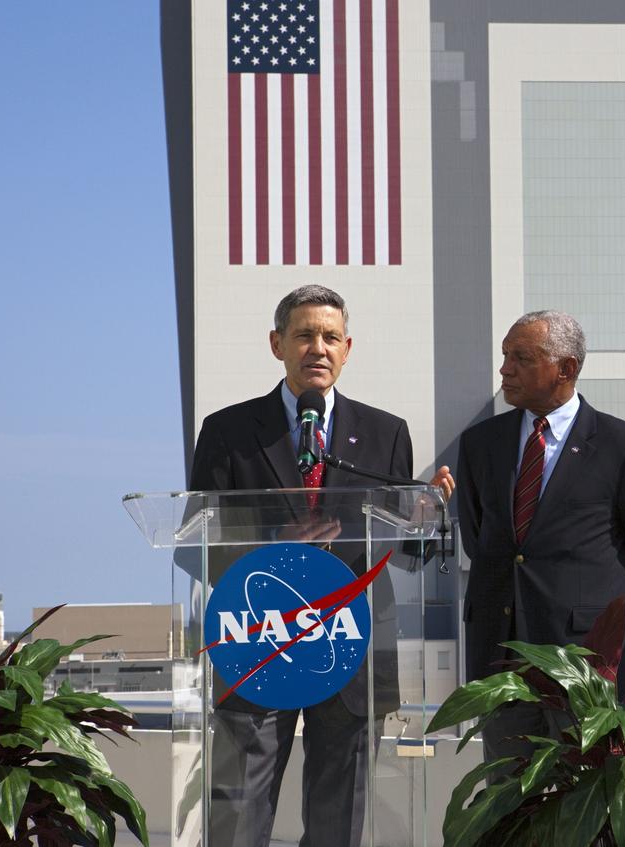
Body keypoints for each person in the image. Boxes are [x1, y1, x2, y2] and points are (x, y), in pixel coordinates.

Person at [189, 284, 453, 847]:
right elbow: (195, 543)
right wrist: (274, 546)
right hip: (258, 636)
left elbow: (403, 549)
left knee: (339, 812)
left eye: (331, 337)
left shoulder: (386, 433)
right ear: (276, 343)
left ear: (348, 348)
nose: (318, 348)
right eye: (304, 335)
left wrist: (426, 516)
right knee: (240, 808)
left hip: (351, 639)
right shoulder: (229, 432)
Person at [456, 310, 625, 765]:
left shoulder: (623, 445)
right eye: (505, 356)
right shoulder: (481, 443)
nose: (505, 369)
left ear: (566, 368)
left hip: (588, 665)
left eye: (521, 357)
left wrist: (607, 619)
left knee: (586, 807)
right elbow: (479, 538)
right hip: (502, 661)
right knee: (508, 808)